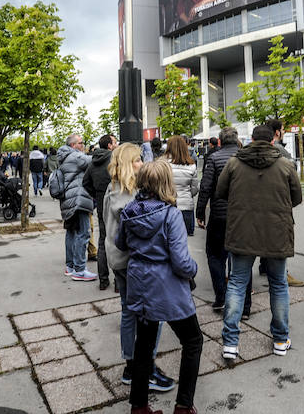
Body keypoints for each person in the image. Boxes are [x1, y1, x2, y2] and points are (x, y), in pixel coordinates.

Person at [117, 160, 202, 414]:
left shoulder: (129, 211)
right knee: (193, 340)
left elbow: (121, 244)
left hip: (140, 284)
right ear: (166, 182)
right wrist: (194, 269)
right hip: (167, 287)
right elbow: (181, 262)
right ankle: (184, 406)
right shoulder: (170, 214)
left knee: (143, 344)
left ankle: (139, 406)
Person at [216, 125, 302, 361]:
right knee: (278, 284)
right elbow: (297, 197)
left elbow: (220, 192)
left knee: (236, 284)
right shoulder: (285, 164)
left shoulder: (234, 163)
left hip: (242, 230)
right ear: (272, 141)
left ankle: (231, 343)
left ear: (251, 140)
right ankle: (280, 339)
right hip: (276, 232)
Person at [103, 144, 176, 394]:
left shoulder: (112, 187)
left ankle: (131, 366)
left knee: (128, 312)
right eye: (137, 160)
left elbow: (106, 223)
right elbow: (140, 226)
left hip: (118, 258)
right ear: (127, 163)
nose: (142, 163)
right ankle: (145, 368)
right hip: (133, 261)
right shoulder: (128, 193)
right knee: (149, 315)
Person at [195, 127, 252, 314]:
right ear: (237, 140)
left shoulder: (213, 158)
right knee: (242, 258)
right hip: (242, 215)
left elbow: (206, 187)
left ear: (219, 141)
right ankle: (244, 306)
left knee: (215, 256)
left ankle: (221, 297)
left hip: (219, 215)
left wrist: (201, 212)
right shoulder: (246, 157)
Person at [50, 134, 97, 281]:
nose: (83, 145)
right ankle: (79, 270)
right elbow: (94, 160)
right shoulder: (75, 156)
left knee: (71, 232)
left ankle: (70, 266)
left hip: (68, 201)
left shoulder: (64, 157)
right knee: (83, 233)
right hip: (78, 199)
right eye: (81, 143)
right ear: (73, 145)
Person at [266, 119, 304, 288]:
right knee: (279, 239)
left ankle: (264, 266)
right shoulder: (279, 149)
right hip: (279, 199)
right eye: (282, 129)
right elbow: (292, 170)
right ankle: (282, 273)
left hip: (262, 200)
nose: (284, 132)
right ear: (276, 132)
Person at [83, 134, 117, 289]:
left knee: (103, 240)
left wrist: (97, 195)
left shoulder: (93, 161)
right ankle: (119, 281)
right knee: (118, 241)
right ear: (109, 145)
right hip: (116, 201)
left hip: (101, 201)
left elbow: (86, 182)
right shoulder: (115, 159)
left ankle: (103, 280)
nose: (116, 144)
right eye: (115, 142)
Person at [165, 135, 199, 236]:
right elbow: (195, 188)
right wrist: (187, 195)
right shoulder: (192, 166)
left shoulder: (163, 164)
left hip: (167, 205)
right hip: (186, 206)